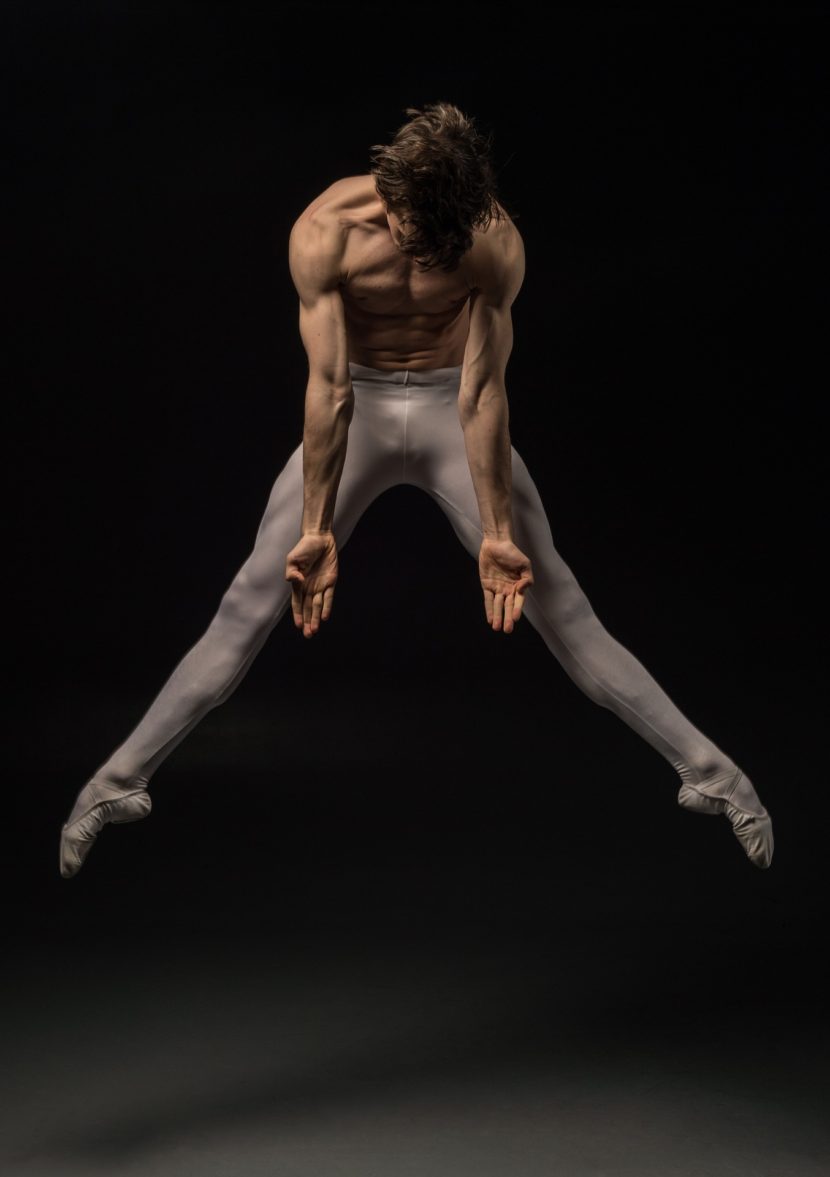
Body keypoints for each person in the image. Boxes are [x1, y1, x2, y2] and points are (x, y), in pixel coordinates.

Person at [59, 101, 774, 878]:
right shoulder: (326, 230)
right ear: (390, 193)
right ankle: (117, 782)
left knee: (559, 600)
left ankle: (715, 776)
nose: (426, 253)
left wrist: (497, 532)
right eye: (413, 233)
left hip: (448, 408)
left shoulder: (493, 241)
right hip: (357, 405)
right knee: (249, 599)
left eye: (444, 243)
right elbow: (329, 388)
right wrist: (316, 527)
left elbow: (483, 393)